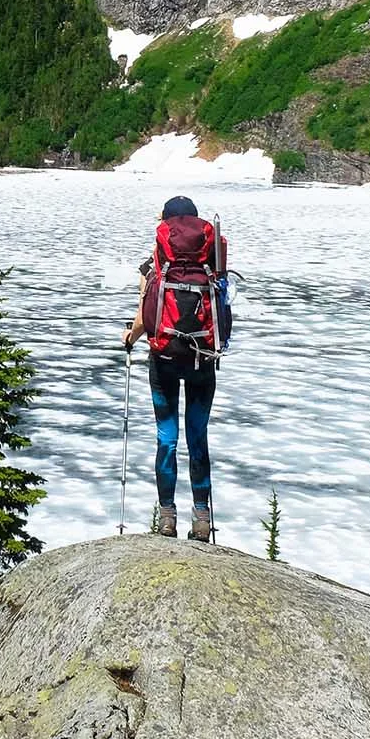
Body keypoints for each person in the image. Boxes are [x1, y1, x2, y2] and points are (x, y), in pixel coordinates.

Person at [121, 195, 228, 542]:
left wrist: (129, 336)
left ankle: (167, 516)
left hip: (164, 360)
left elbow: (143, 317)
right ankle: (201, 517)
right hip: (202, 361)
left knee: (166, 439)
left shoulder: (154, 267)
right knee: (198, 436)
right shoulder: (213, 267)